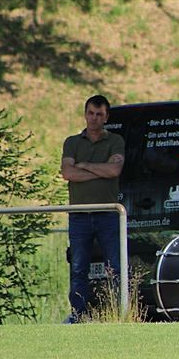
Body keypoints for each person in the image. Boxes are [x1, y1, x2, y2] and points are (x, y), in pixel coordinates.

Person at [60, 95, 125, 323]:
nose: (94, 118)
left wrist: (85, 166)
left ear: (106, 117)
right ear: (85, 114)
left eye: (99, 114)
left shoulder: (115, 141)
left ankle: (118, 312)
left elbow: (114, 171)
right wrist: (101, 171)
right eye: (91, 113)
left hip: (108, 213)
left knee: (115, 267)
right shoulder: (72, 142)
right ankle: (79, 315)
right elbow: (68, 173)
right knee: (78, 268)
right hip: (79, 215)